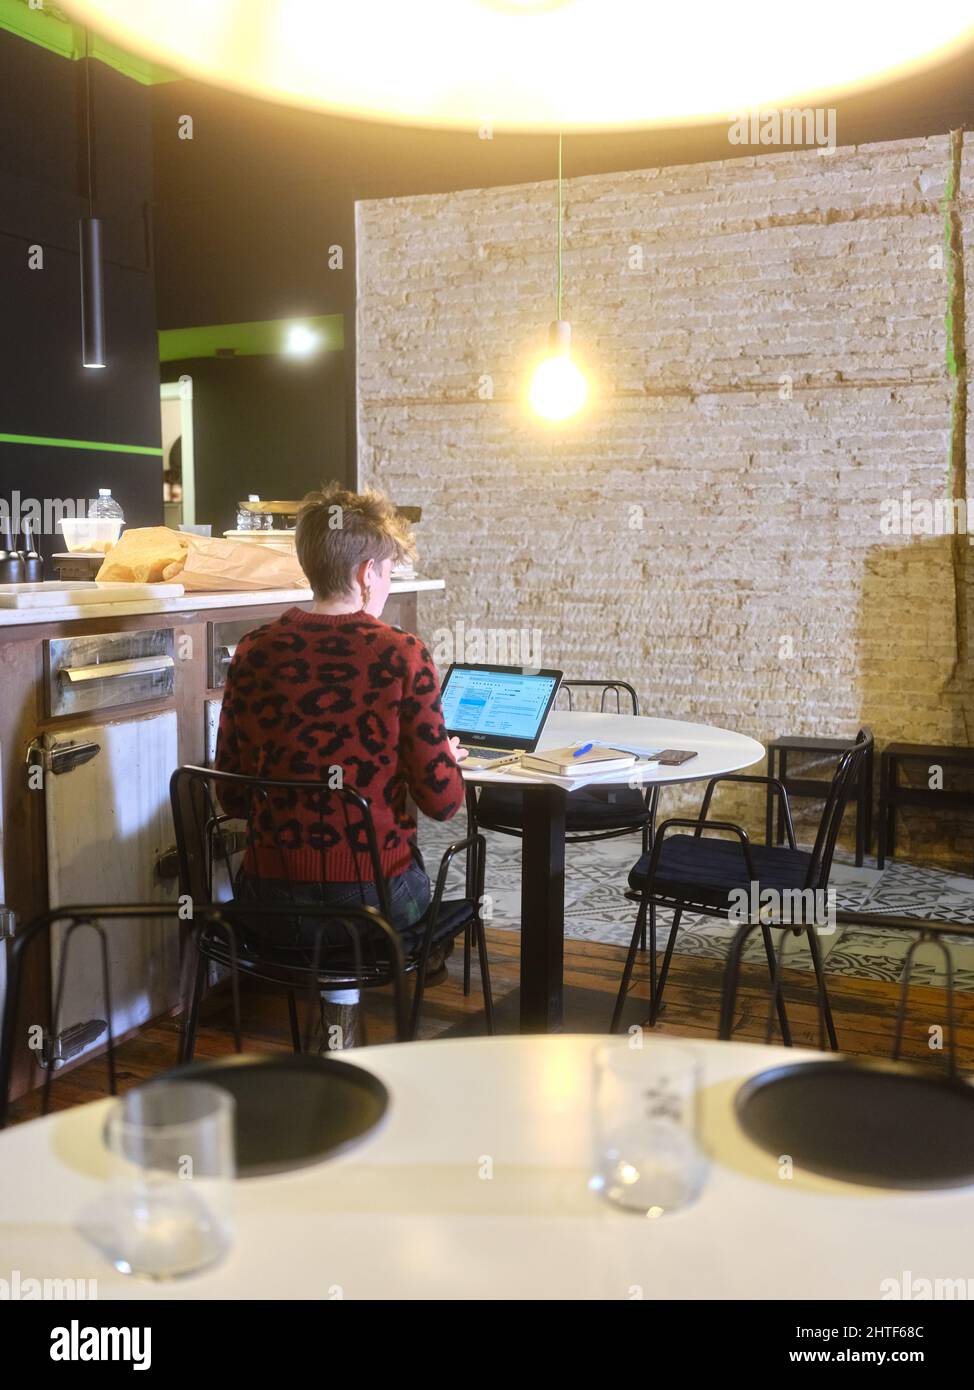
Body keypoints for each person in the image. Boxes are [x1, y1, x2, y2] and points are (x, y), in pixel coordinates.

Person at [213, 482, 468, 1044]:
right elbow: (445, 803)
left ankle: (338, 1033)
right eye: (389, 572)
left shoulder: (252, 651)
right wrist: (439, 755)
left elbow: (229, 798)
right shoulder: (403, 654)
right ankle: (369, 1014)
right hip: (373, 905)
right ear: (365, 574)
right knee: (419, 874)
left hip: (268, 902)